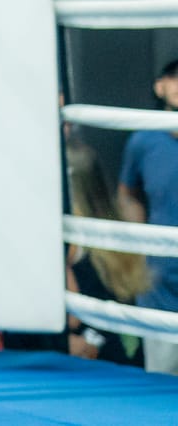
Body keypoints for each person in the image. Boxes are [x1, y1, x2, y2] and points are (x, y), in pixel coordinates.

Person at [117, 55, 178, 375]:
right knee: (162, 381)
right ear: (159, 85)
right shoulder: (144, 140)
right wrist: (140, 249)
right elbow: (127, 195)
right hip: (161, 279)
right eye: (174, 76)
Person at [67, 139, 146, 367]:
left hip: (94, 355)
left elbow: (72, 321)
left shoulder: (70, 241)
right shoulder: (114, 234)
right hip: (123, 355)